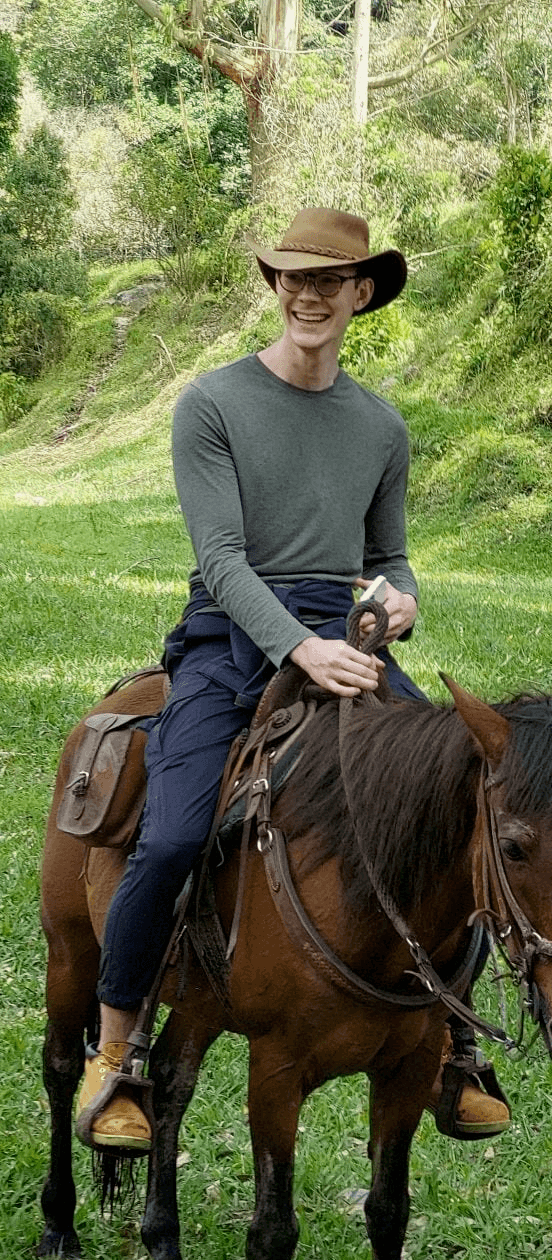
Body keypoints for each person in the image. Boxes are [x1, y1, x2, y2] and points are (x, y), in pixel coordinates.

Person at [76, 208, 510, 1154]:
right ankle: (118, 1057)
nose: (308, 294)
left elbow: (390, 554)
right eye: (292, 277)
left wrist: (403, 602)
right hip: (231, 637)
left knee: (458, 800)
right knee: (175, 834)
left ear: (362, 293)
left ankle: (456, 1044)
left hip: (348, 640)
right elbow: (223, 560)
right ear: (275, 288)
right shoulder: (212, 404)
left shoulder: (382, 426)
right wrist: (298, 650)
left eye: (330, 279)